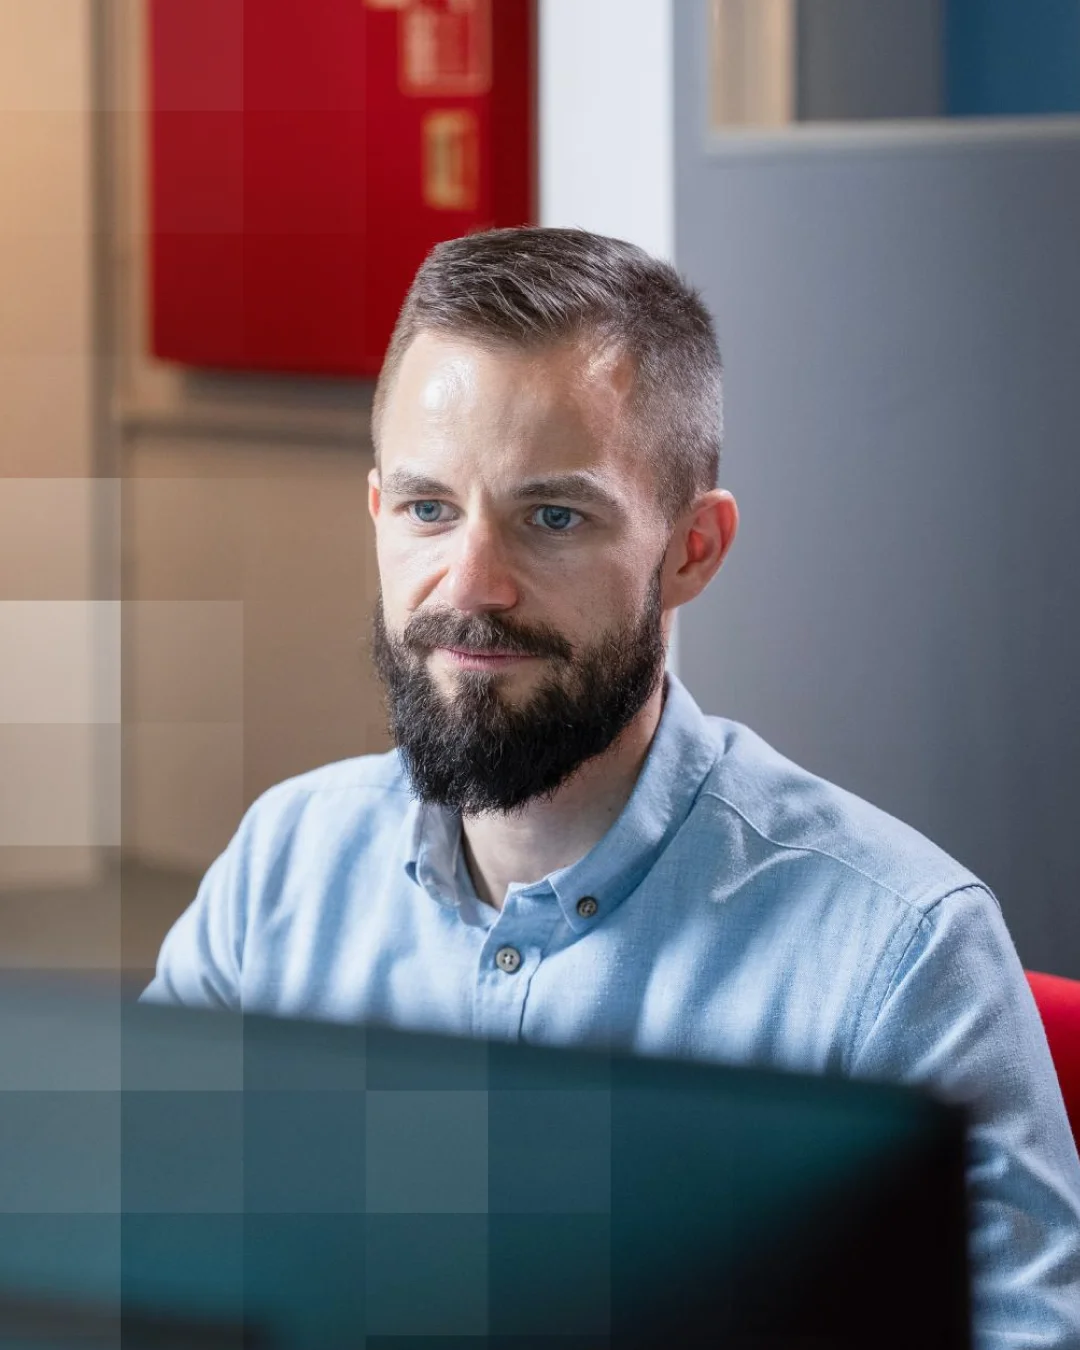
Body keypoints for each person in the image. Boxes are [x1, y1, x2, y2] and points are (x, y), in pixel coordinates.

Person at [142, 226, 1080, 1346]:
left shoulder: (896, 954)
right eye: (430, 509)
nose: (472, 587)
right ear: (378, 514)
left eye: (553, 517)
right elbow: (136, 1253)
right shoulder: (283, 866)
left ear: (691, 551)